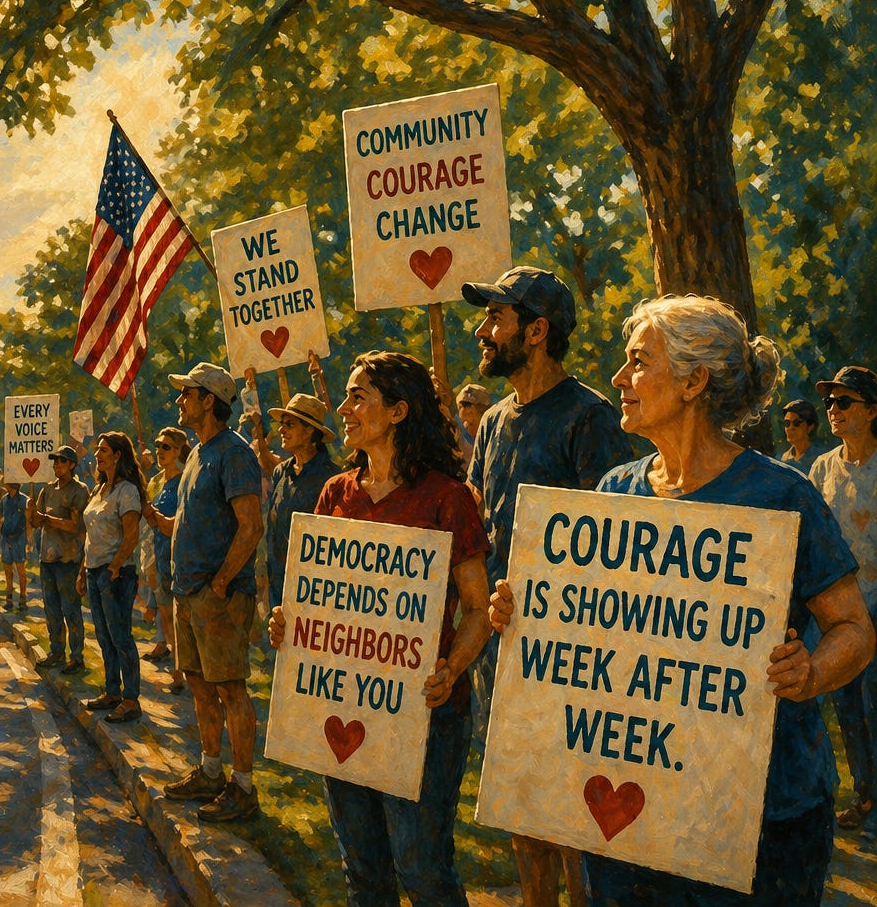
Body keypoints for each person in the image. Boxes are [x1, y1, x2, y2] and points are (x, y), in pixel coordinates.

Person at [491, 295, 874, 906]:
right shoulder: (617, 490)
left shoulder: (782, 495)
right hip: (638, 810)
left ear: (695, 381)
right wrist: (529, 614)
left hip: (766, 816)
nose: (618, 378)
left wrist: (810, 673)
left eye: (638, 362)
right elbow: (600, 629)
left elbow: (854, 629)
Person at [270, 351, 491, 907]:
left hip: (425, 713)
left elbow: (478, 607)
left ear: (397, 411)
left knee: (422, 872)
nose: (342, 409)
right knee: (363, 873)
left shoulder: (448, 497)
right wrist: (290, 624)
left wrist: (452, 668)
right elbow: (320, 597)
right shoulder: (335, 494)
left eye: (356, 397)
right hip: (342, 704)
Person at [461, 265, 633, 907]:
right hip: (500, 650)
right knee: (519, 808)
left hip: (569, 657)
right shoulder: (496, 418)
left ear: (535, 331)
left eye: (495, 319)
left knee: (576, 818)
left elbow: (615, 551)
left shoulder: (591, 418)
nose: (482, 331)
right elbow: (478, 515)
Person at [145, 362, 263, 822]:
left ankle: (243, 786)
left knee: (231, 689)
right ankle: (211, 771)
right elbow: (187, 525)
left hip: (219, 597)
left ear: (208, 400)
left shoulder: (234, 454)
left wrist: (220, 581)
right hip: (187, 593)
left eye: (186, 394)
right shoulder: (196, 453)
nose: (179, 402)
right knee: (198, 686)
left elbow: (250, 526)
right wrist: (160, 522)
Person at [808, 366, 877, 835]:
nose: (833, 410)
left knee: (876, 705)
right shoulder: (822, 468)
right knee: (848, 707)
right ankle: (865, 797)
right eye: (830, 403)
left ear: (872, 410)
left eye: (844, 402)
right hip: (838, 613)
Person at [79, 431, 146, 723]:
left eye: (104, 450)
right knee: (104, 636)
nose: (98, 455)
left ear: (118, 455)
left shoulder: (127, 490)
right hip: (94, 571)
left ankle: (131, 699)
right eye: (98, 450)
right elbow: (90, 536)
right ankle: (111, 691)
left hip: (116, 572)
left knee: (121, 637)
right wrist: (84, 570)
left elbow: (131, 535)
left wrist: (114, 568)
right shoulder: (99, 490)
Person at [262, 392, 341, 610]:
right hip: (278, 579)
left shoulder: (333, 478)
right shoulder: (281, 472)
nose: (281, 430)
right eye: (281, 423)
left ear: (309, 431)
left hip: (314, 587)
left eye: (289, 424)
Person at [29, 446, 89, 675]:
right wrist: (31, 514)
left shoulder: (80, 490)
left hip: (68, 558)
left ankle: (76, 657)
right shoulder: (47, 489)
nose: (56, 465)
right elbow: (36, 522)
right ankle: (56, 652)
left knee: (71, 609)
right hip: (48, 558)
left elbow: (77, 526)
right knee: (51, 608)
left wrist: (46, 519)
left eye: (62, 461)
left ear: (72, 465)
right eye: (55, 461)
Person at [142, 426, 190, 691]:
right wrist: (149, 514)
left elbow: (177, 523)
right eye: (158, 446)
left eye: (166, 447)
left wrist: (157, 518)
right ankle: (176, 672)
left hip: (181, 557)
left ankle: (185, 672)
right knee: (165, 615)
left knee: (181, 617)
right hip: (160, 554)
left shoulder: (185, 480)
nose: (160, 451)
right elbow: (152, 524)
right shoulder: (155, 482)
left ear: (179, 450)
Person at [0, 481, 30, 611]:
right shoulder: (4, 500)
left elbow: (28, 520)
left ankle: (22, 598)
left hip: (19, 538)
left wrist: (28, 538)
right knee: (7, 569)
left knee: (21, 569)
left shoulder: (24, 500)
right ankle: (9, 598)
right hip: (6, 537)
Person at [780, 398, 828, 475]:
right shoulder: (785, 458)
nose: (790, 428)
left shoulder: (822, 457)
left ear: (810, 427)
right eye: (787, 423)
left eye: (797, 423)